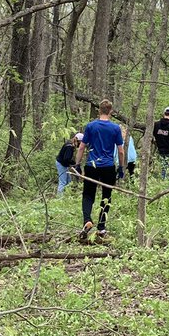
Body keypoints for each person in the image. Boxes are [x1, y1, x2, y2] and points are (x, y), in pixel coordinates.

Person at [75, 100, 125, 241]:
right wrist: (121, 167)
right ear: (110, 112)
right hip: (108, 166)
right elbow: (120, 151)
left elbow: (81, 147)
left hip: (92, 166)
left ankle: (87, 221)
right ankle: (101, 227)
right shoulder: (115, 128)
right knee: (106, 196)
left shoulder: (91, 126)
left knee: (88, 194)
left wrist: (77, 164)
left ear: (99, 111)